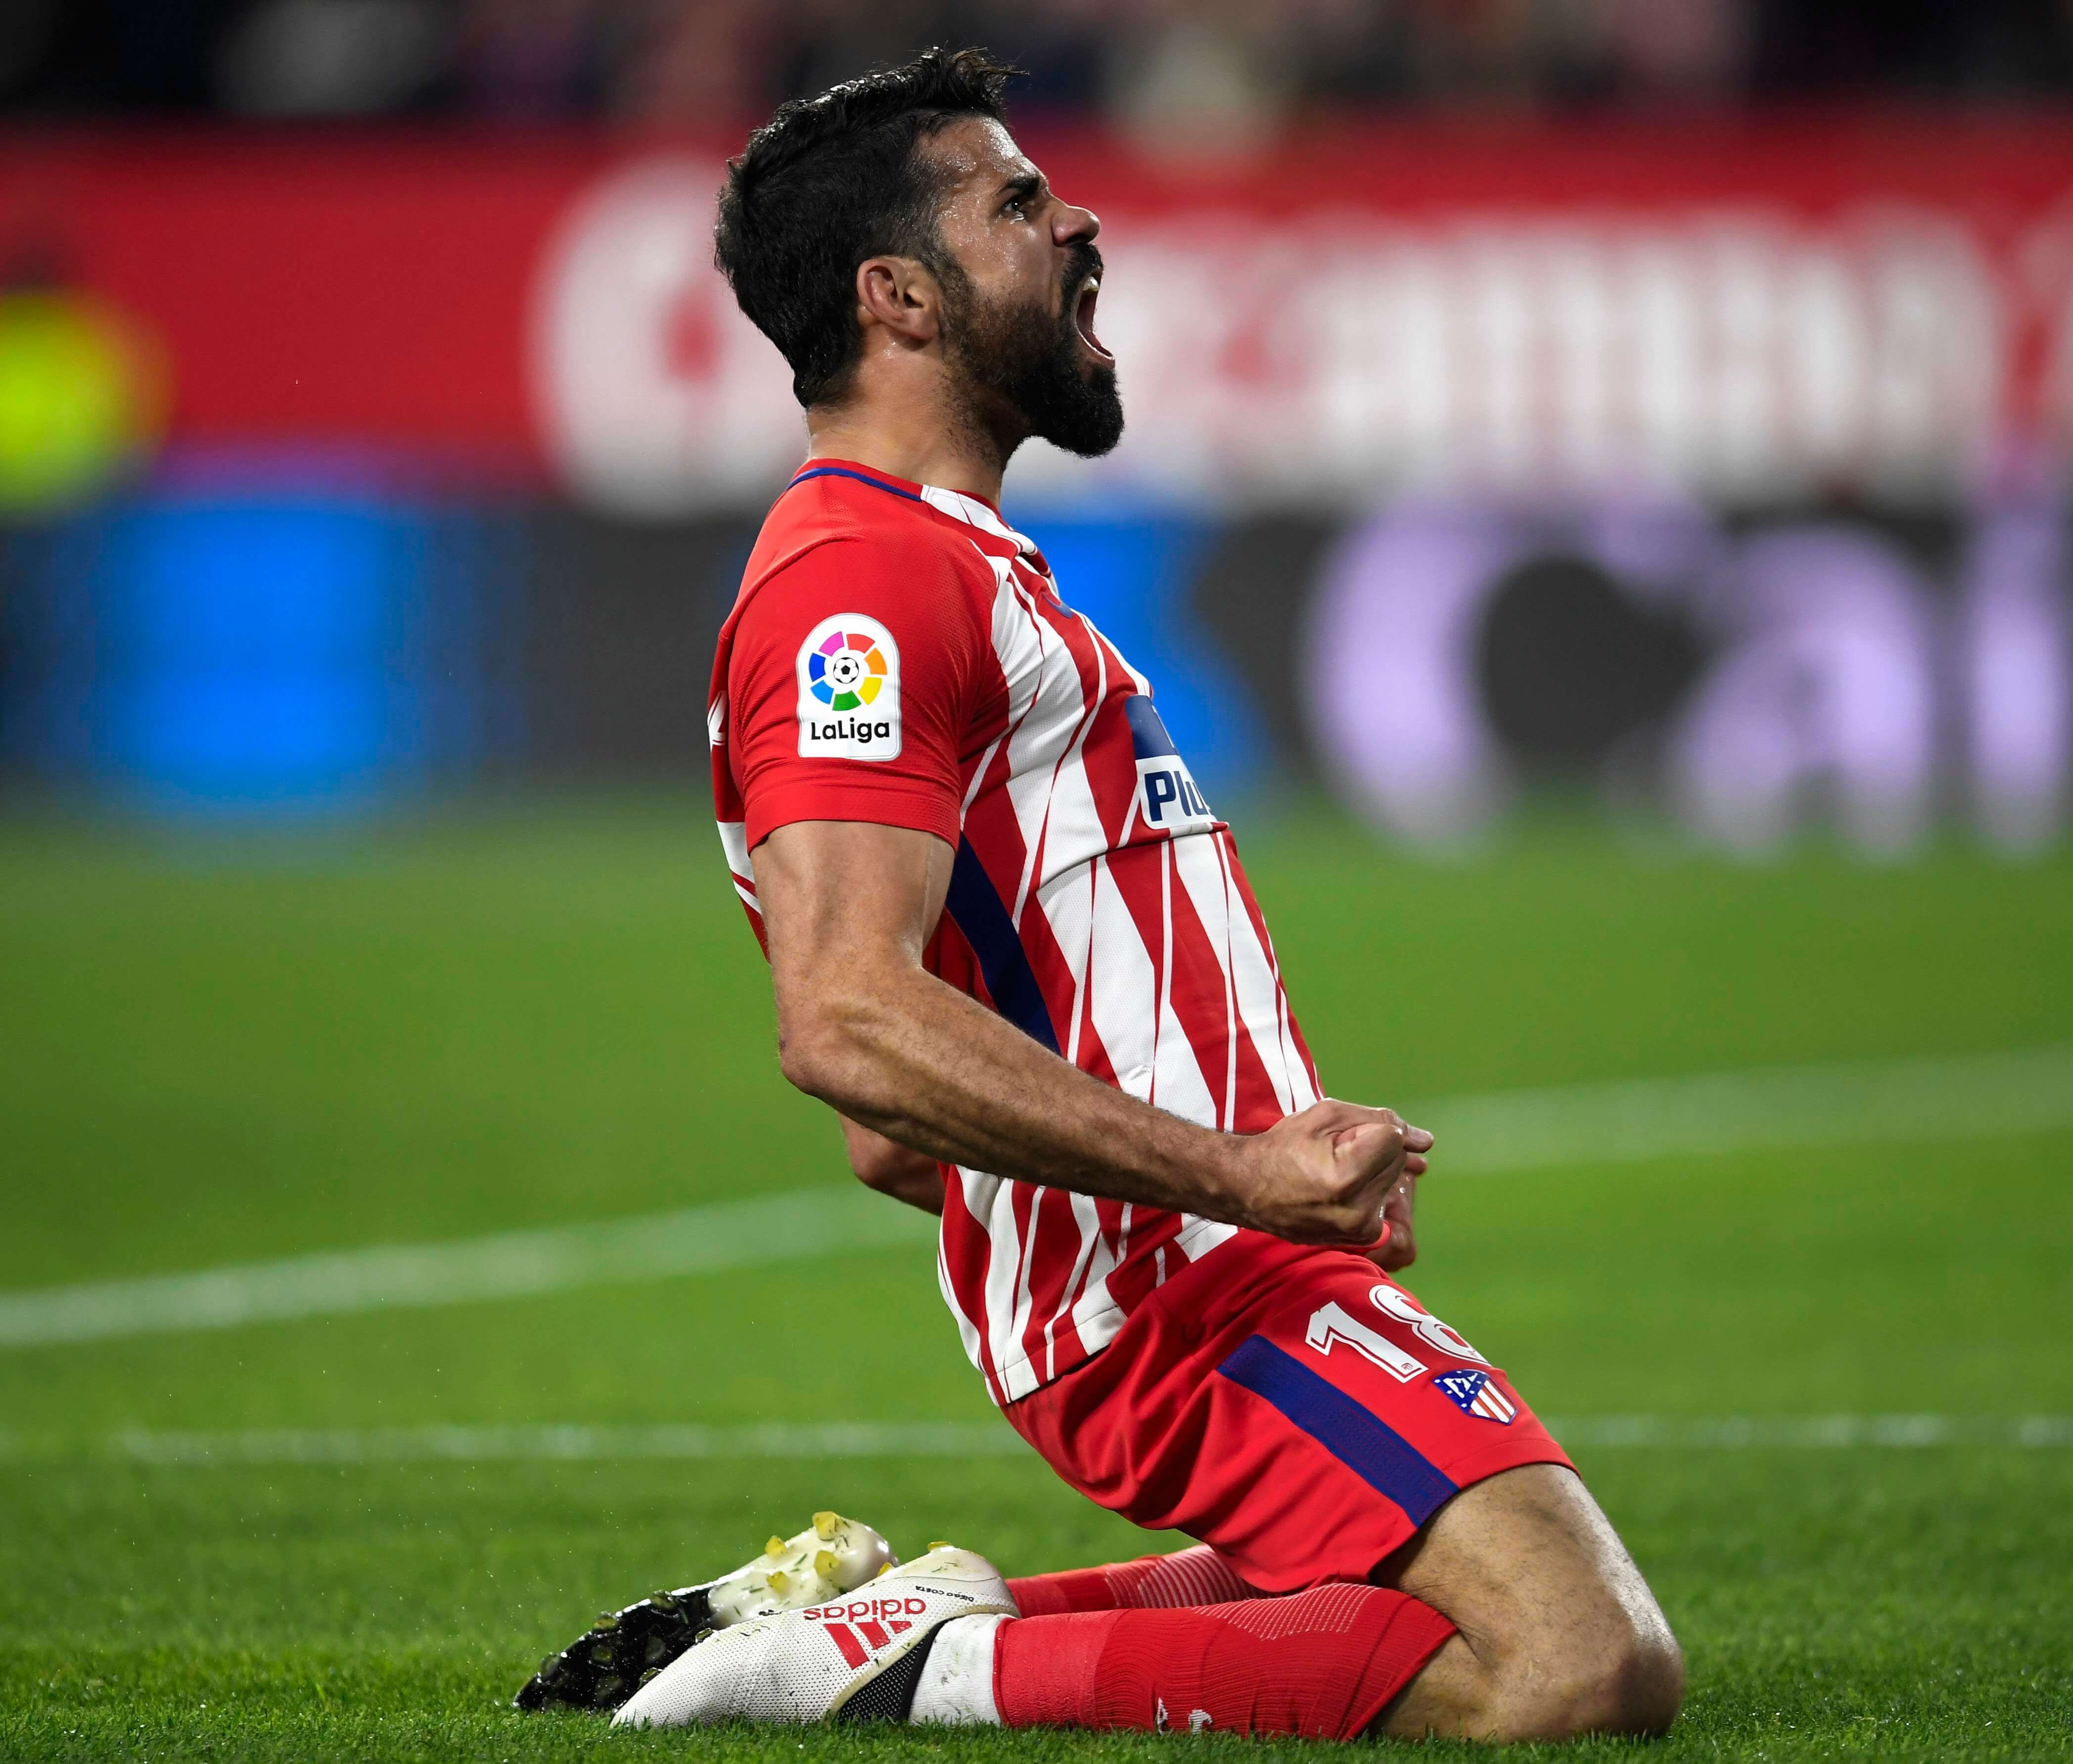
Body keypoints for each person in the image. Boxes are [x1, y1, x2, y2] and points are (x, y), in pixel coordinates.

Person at [536, 45, 1682, 1741]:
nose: (1076, 221)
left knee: (1394, 1613)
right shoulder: (860, 580)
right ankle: (931, 1674)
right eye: (1014, 203)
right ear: (899, 297)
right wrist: (1233, 1172)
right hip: (1189, 1282)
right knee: (1579, 1668)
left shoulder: (961, 569)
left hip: (1221, 1255)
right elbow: (848, 1023)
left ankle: (887, 1626)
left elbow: (895, 1133)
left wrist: (1263, 1154)